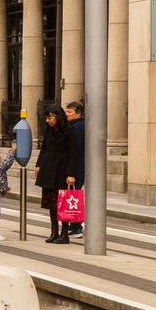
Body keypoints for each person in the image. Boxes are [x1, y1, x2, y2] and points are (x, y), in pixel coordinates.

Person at [35, 105, 74, 244]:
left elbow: (73, 153)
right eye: (47, 117)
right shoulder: (49, 130)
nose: (47, 120)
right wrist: (38, 164)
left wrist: (71, 173)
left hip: (62, 168)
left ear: (57, 116)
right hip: (49, 167)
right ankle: (54, 231)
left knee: (62, 202)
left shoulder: (69, 131)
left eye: (50, 117)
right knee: (51, 202)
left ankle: (64, 233)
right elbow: (44, 147)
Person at [64, 100, 86, 240]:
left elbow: (74, 150)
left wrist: (71, 172)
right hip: (78, 166)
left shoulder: (77, 128)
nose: (67, 114)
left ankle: (76, 226)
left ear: (78, 113)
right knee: (73, 196)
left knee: (74, 196)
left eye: (70, 112)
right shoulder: (77, 126)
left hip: (77, 167)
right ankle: (74, 225)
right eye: (66, 112)